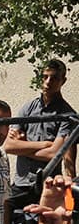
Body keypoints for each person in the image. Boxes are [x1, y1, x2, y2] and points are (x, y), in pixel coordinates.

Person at [6, 60, 77, 195]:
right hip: (21, 184)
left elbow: (53, 154)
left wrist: (23, 147)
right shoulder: (28, 108)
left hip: (48, 185)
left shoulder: (67, 115)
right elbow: (9, 147)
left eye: (54, 78)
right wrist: (45, 144)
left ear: (63, 81)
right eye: (45, 76)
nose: (48, 82)